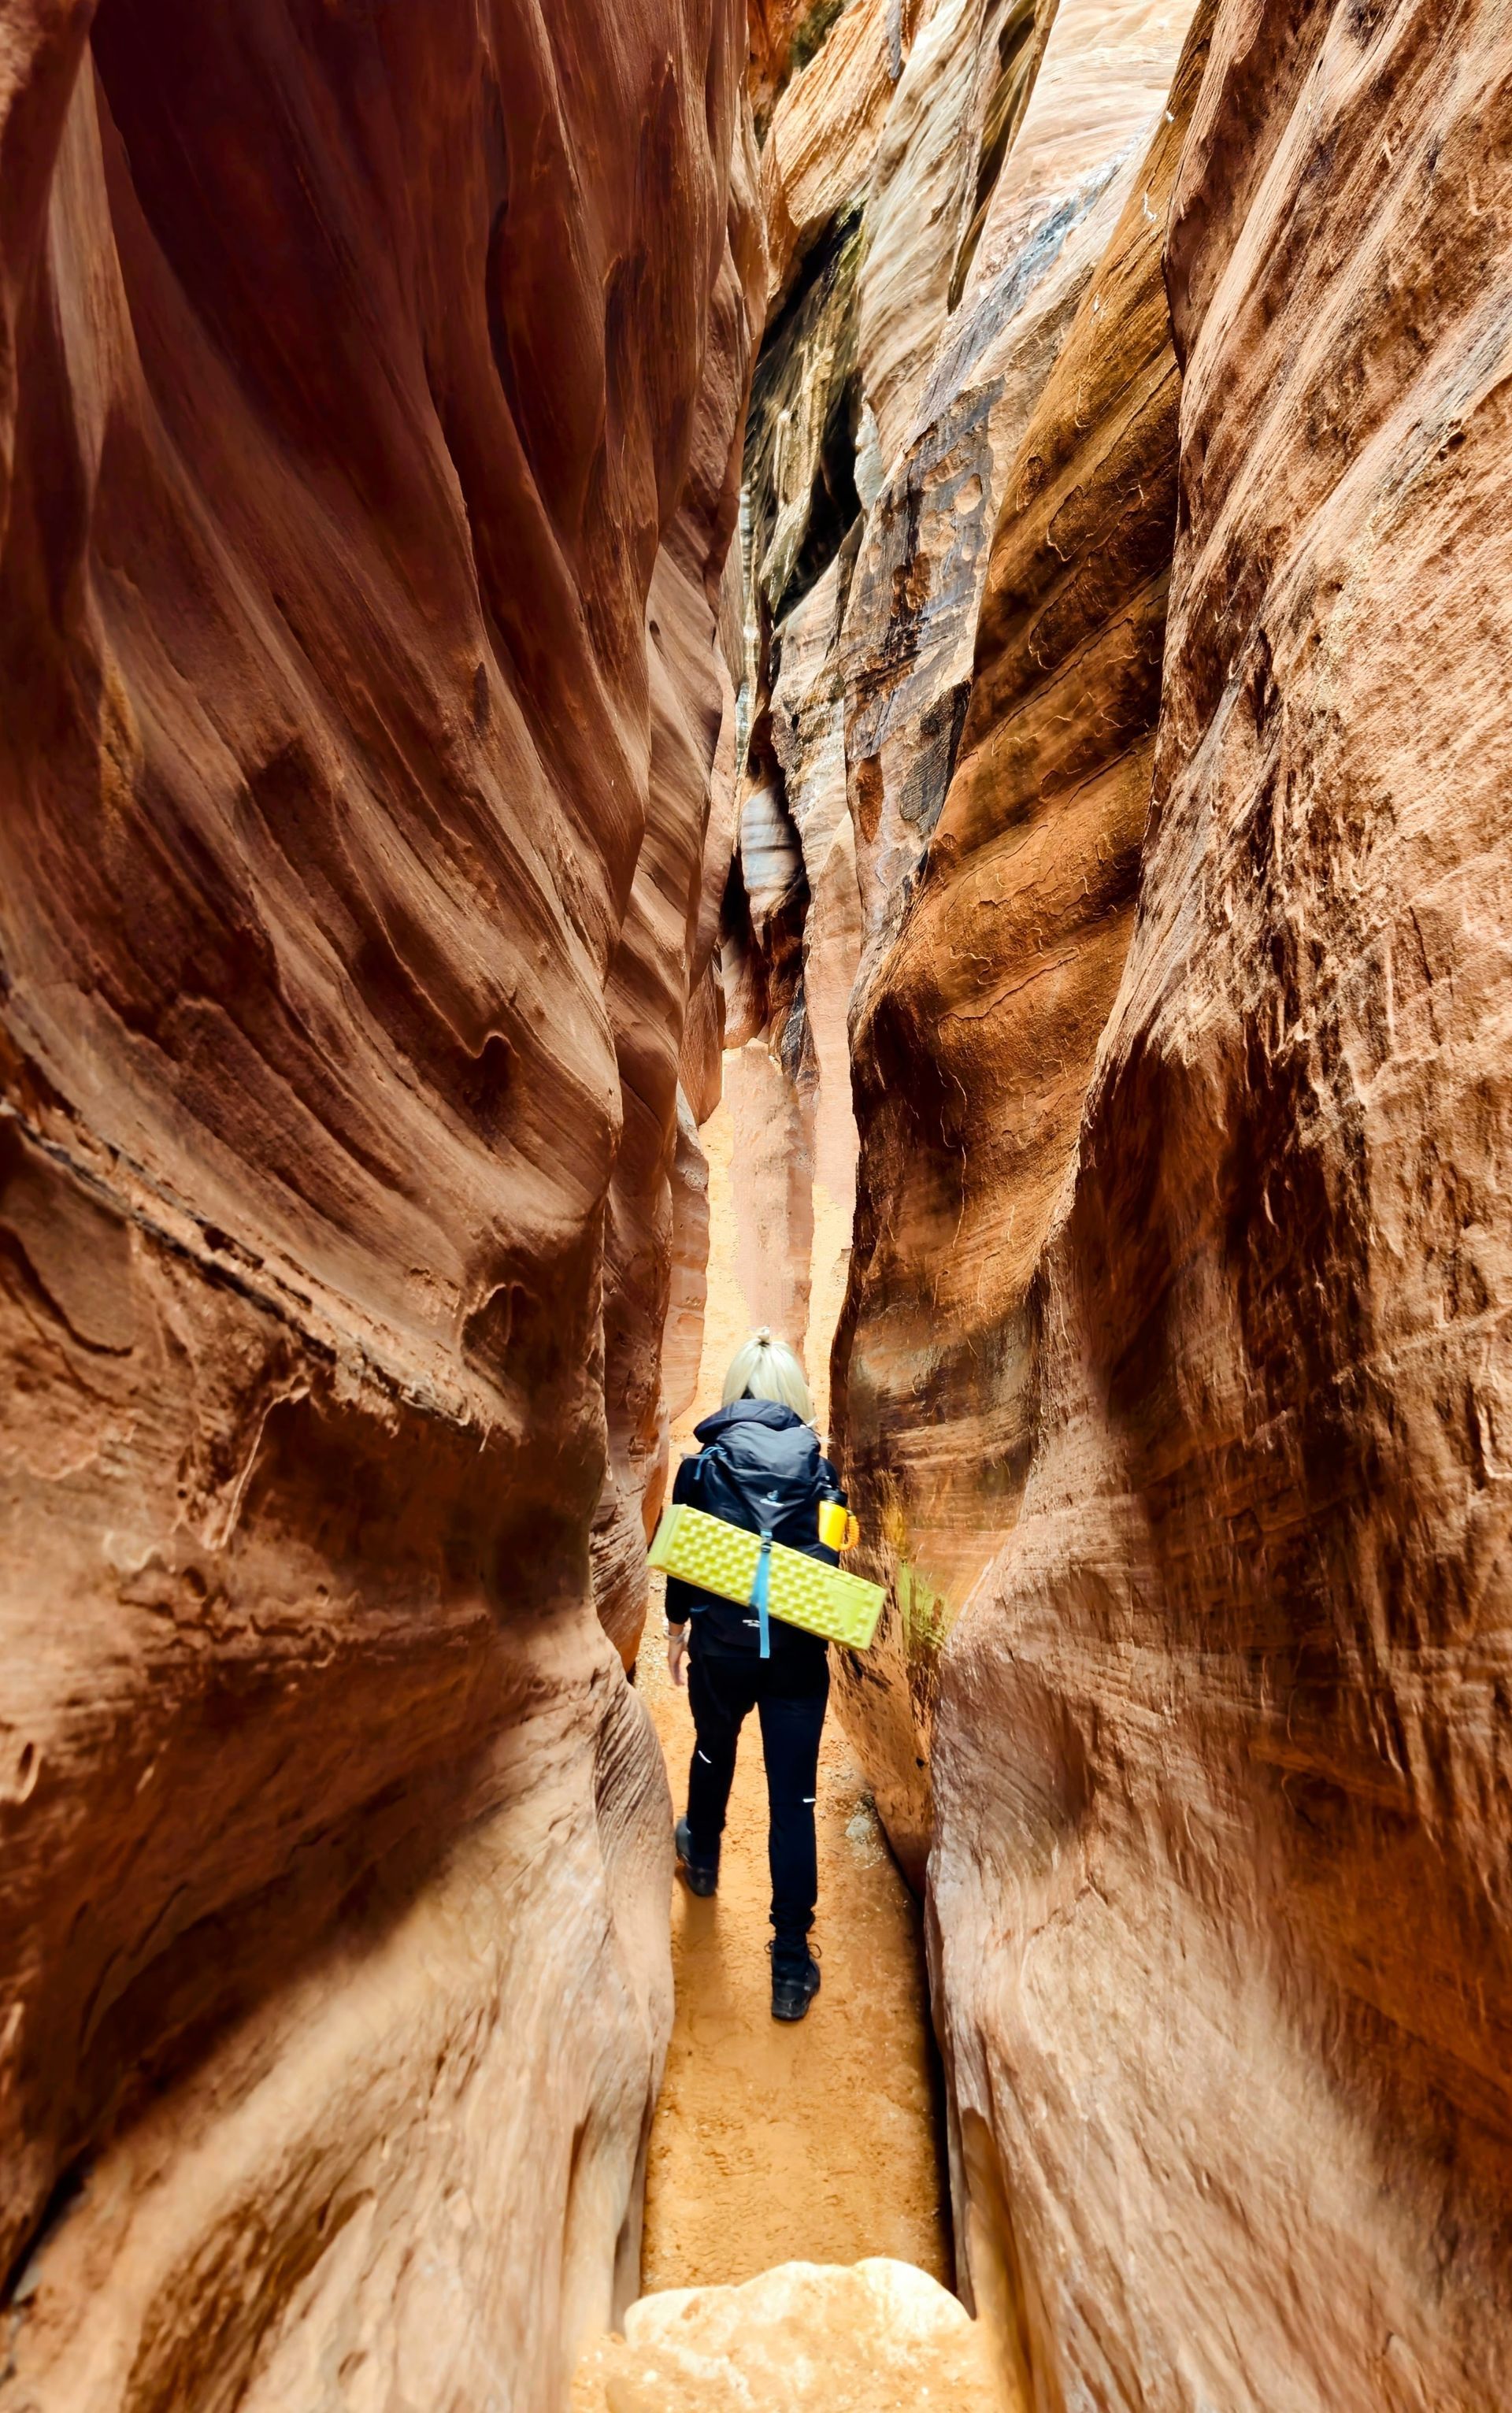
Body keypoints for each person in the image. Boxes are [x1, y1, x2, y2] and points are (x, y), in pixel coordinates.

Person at [665, 1329, 842, 2022]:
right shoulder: (821, 1473)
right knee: (793, 1804)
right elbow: (829, 1568)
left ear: (735, 1394)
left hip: (722, 1650)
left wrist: (678, 1634)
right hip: (796, 1658)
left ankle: (702, 1857)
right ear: (791, 1398)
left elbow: (681, 1560)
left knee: (714, 1749)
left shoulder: (701, 1464)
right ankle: (791, 1967)